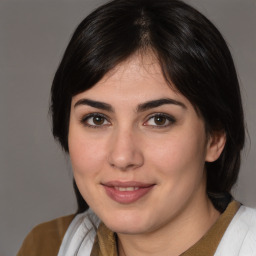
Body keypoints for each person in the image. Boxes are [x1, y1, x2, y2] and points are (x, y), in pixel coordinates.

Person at [17, 0, 256, 255]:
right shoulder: (46, 246)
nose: (122, 157)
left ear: (215, 137)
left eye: (159, 120)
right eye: (97, 119)